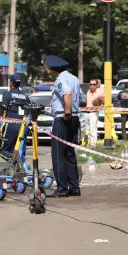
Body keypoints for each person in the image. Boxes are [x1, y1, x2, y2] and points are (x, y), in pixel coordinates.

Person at [46, 55, 81, 197]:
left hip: (63, 118)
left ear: (54, 69)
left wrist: (67, 111)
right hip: (75, 117)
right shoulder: (74, 78)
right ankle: (74, 187)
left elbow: (68, 94)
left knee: (58, 154)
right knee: (70, 153)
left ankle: (62, 188)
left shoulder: (60, 79)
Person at [0, 74, 30, 158]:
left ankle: (15, 162)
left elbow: (2, 110)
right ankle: (19, 164)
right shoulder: (26, 97)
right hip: (23, 127)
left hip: (10, 126)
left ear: (11, 83)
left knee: (3, 151)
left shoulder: (7, 94)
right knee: (20, 152)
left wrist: (0, 126)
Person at [81, 79, 104, 147]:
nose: (92, 86)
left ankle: (93, 145)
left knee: (92, 129)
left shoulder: (100, 92)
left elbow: (104, 101)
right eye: (90, 84)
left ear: (97, 85)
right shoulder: (88, 92)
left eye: (94, 84)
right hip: (86, 112)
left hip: (94, 113)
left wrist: (99, 102)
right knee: (87, 130)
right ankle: (88, 144)